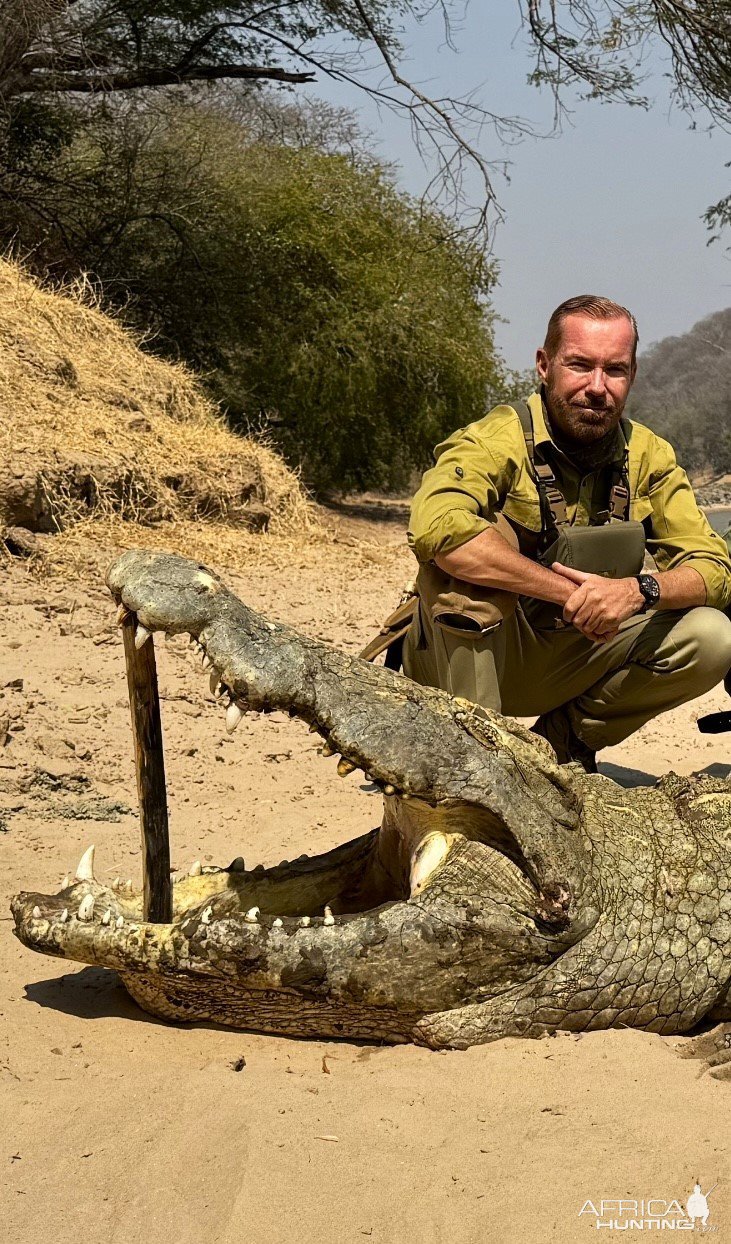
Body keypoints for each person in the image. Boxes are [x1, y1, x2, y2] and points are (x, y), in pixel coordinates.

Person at [403, 294, 731, 772]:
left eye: (614, 370)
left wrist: (637, 590)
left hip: (577, 655)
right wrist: (572, 594)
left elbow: (715, 569)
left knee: (712, 635)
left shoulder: (650, 456)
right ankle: (479, 762)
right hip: (469, 660)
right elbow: (439, 530)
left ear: (632, 376)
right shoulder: (496, 439)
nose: (597, 387)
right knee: (471, 567)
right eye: (580, 365)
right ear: (544, 365)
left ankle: (563, 743)